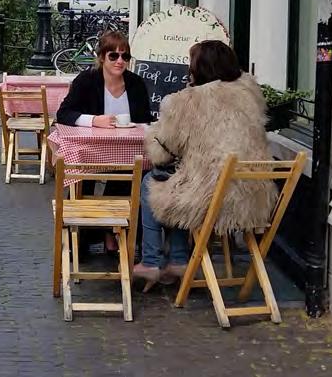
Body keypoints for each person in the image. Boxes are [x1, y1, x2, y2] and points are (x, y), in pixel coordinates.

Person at [132, 40, 278, 290]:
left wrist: (155, 132)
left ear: (200, 68)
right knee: (176, 180)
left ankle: (151, 261)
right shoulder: (250, 93)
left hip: (213, 198)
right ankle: (178, 260)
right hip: (254, 197)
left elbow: (162, 152)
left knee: (153, 180)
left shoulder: (187, 100)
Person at [56, 31, 153, 255]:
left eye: (125, 57)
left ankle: (115, 234)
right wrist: (93, 120)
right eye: (113, 56)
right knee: (82, 179)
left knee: (132, 175)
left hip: (127, 151)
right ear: (101, 57)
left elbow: (145, 119)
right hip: (92, 150)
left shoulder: (136, 83)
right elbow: (64, 113)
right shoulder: (87, 80)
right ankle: (80, 240)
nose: (120, 61)